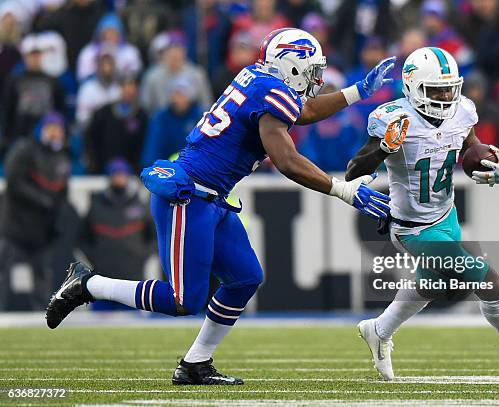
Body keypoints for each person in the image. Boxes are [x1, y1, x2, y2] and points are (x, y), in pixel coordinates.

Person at [45, 28, 395, 385]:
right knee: (183, 299)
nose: (316, 78)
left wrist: (356, 92)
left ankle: (196, 363)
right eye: (311, 70)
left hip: (213, 196)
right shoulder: (269, 90)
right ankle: (89, 285)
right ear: (290, 67)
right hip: (190, 195)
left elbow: (300, 111)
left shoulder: (262, 81)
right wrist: (344, 191)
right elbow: (286, 159)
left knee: (245, 278)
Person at [346, 47, 499, 381]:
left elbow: (471, 153)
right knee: (482, 274)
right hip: (410, 227)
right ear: (413, 87)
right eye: (436, 90)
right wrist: (384, 148)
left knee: (431, 284)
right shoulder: (392, 118)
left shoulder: (462, 111)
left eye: (449, 89)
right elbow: (353, 171)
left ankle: (379, 330)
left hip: (447, 216)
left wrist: (496, 167)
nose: (445, 97)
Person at [0, 112, 70, 310]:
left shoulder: (62, 158)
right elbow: (14, 181)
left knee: (42, 277)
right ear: (42, 129)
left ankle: (44, 319)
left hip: (41, 230)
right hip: (15, 226)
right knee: (3, 272)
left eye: (58, 129)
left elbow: (63, 191)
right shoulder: (24, 149)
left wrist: (57, 211)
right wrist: (43, 200)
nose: (55, 133)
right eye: (51, 128)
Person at [79, 158, 155, 311]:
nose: (119, 179)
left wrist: (141, 255)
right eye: (115, 175)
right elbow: (81, 238)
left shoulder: (139, 206)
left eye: (122, 175)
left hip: (133, 281)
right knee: (98, 326)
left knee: (134, 327)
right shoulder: (96, 205)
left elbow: (154, 237)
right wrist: (95, 256)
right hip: (102, 280)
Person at [1, 34, 65, 156]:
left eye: (37, 55)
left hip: (46, 132)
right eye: (31, 55)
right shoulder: (15, 80)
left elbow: (59, 108)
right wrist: (8, 136)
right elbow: (8, 108)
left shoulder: (52, 81)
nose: (35, 58)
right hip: (20, 132)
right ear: (25, 57)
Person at [84, 74, 148, 174]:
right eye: (126, 86)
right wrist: (94, 162)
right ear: (121, 88)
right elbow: (90, 136)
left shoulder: (142, 116)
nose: (129, 91)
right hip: (104, 168)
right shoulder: (104, 112)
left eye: (132, 87)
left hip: (132, 171)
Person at [140, 31, 212, 114]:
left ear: (184, 51)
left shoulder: (197, 74)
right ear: (163, 52)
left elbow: (206, 104)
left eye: (177, 49)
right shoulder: (152, 76)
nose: (174, 53)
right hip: (162, 123)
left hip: (192, 122)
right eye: (170, 49)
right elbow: (146, 106)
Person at [139, 76, 202, 167]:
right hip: (166, 169)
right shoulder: (160, 118)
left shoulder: (199, 116)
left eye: (182, 94)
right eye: (175, 94)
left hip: (194, 169)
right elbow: (152, 150)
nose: (178, 99)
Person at [76, 13, 142, 83]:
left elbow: (136, 74)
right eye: (107, 32)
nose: (110, 36)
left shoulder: (130, 52)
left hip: (121, 88)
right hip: (96, 87)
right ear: (100, 33)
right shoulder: (89, 52)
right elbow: (82, 76)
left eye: (114, 32)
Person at [75, 48, 121, 127]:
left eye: (110, 63)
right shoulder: (87, 88)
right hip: (93, 129)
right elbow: (81, 118)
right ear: (98, 66)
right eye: (104, 63)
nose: (107, 67)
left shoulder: (119, 88)